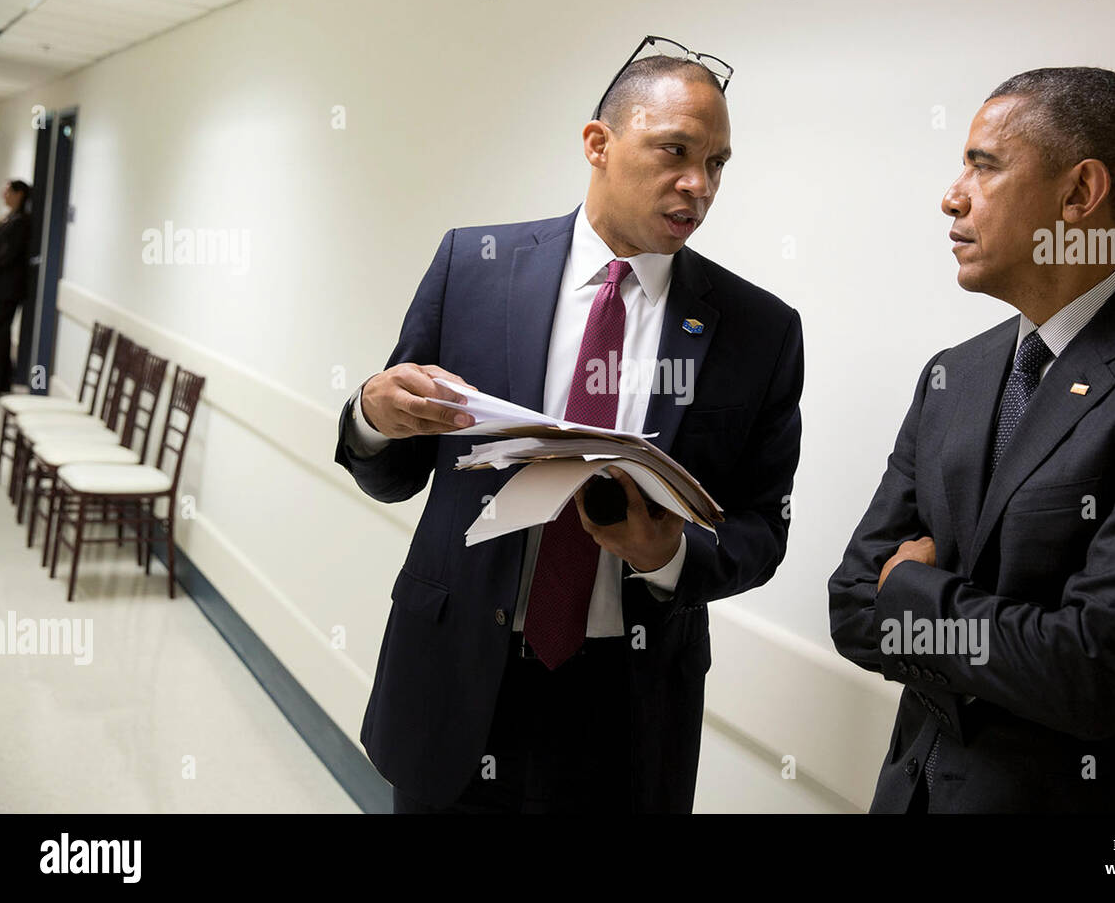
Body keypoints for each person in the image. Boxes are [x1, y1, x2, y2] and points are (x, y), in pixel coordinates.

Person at [334, 42, 804, 813]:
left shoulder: (759, 329)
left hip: (628, 702)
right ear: (598, 144)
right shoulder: (474, 266)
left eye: (718, 163)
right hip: (455, 678)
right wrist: (374, 416)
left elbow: (761, 528)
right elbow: (394, 470)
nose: (699, 185)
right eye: (675, 151)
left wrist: (668, 556)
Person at [829, 67, 1115, 812]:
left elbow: (1095, 672)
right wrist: (992, 636)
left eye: (983, 164)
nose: (951, 195)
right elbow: (851, 606)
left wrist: (909, 594)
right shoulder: (955, 373)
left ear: (1078, 195)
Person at [0, 180, 32, 396]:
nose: (3, 195)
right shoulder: (10, 219)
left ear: (19, 194)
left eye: (8, 192)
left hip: (7, 288)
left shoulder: (21, 222)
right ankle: (0, 379)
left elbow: (7, 255)